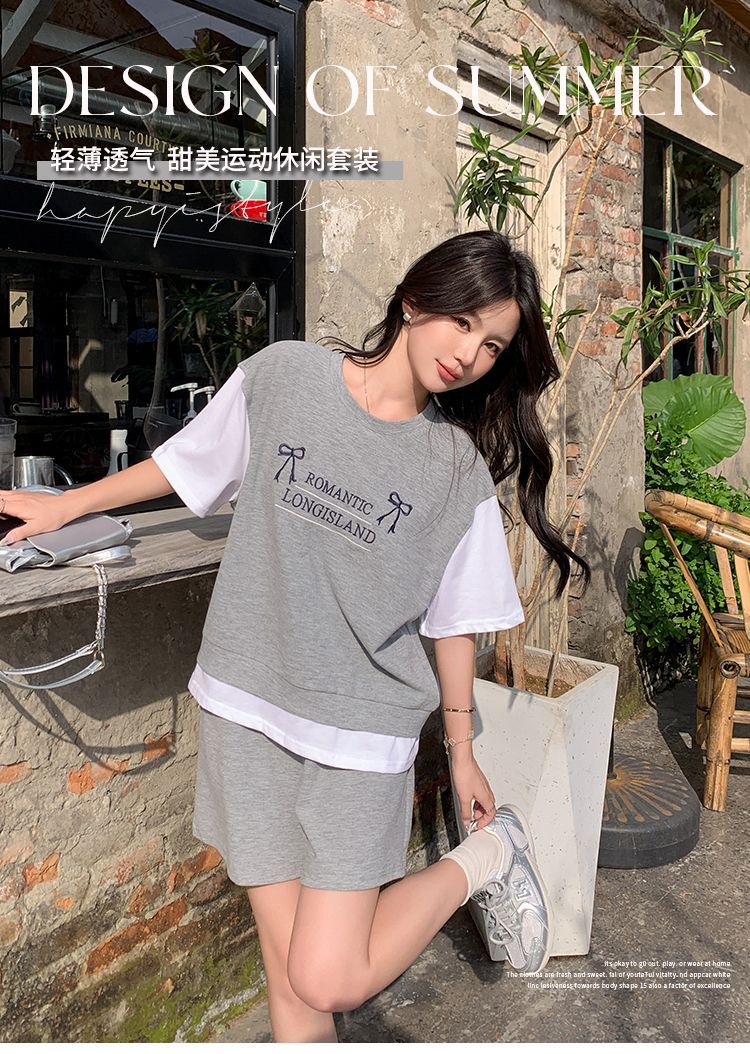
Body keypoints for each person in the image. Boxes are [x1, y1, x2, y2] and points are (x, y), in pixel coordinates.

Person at [0, 230, 590, 1042]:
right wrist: (68, 504)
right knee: (289, 982)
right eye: (463, 323)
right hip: (247, 709)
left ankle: (485, 860)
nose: (469, 355)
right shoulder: (284, 376)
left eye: (492, 346)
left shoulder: (455, 472)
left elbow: (454, 623)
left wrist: (461, 754)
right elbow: (187, 465)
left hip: (361, 737)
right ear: (415, 299)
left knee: (328, 975)